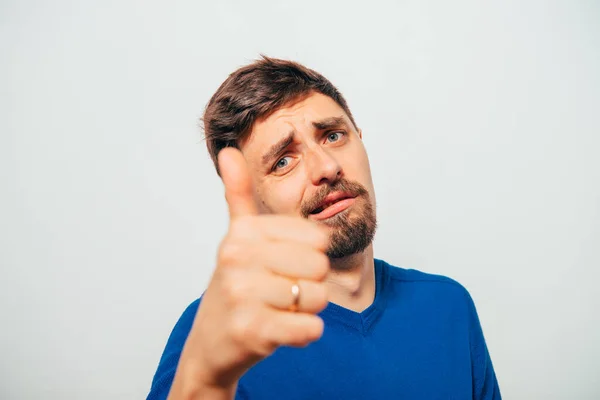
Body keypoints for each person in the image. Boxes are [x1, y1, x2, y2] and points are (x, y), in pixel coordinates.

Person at [147, 56, 501, 400]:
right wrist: (202, 384)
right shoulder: (223, 333)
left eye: (333, 136)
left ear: (361, 140)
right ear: (253, 201)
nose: (327, 167)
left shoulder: (448, 305)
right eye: (283, 160)